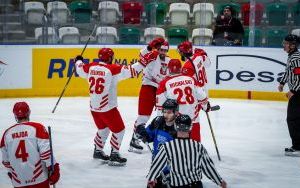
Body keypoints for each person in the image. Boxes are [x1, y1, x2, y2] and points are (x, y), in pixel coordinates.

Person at [75, 48, 147, 166]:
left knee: (103, 129)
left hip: (94, 108)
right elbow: (132, 70)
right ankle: (114, 154)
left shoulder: (90, 67)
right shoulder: (112, 69)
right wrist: (143, 62)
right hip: (108, 108)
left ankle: (98, 151)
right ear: (109, 58)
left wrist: (78, 60)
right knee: (119, 130)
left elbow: (79, 68)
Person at [147, 114, 227, 188]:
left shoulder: (168, 147)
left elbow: (156, 164)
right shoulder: (198, 146)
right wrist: (220, 181)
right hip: (196, 186)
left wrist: (151, 178)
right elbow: (208, 167)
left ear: (175, 126)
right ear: (190, 127)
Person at [0, 102, 60, 188]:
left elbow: (6, 161)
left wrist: (13, 173)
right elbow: (46, 154)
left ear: (15, 115)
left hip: (18, 181)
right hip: (39, 179)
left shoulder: (7, 134)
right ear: (29, 112)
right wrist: (54, 168)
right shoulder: (38, 128)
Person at [129, 37, 171, 153]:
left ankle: (162, 138)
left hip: (160, 91)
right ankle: (134, 139)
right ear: (157, 48)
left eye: (165, 50)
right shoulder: (152, 55)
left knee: (163, 116)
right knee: (143, 116)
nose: (163, 52)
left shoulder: (169, 60)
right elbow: (142, 55)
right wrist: (149, 47)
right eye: (161, 50)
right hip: (147, 87)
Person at [156, 59, 210, 142]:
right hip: (193, 116)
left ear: (169, 69)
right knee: (195, 143)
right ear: (181, 68)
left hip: (176, 119)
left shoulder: (164, 83)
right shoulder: (191, 79)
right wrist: (206, 107)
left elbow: (161, 106)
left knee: (177, 145)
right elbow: (202, 96)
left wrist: (162, 121)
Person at [135, 99, 179, 188]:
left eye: (169, 112)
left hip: (174, 171)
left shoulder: (179, 128)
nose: (166, 115)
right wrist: (142, 132)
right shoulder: (158, 121)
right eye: (164, 112)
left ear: (176, 112)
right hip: (156, 168)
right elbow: (148, 137)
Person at [278, 34, 300, 157]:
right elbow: (288, 72)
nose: (284, 45)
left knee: (293, 119)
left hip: (298, 93)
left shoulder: (296, 58)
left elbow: (299, 76)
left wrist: (294, 91)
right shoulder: (291, 56)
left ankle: (298, 147)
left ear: (293, 45)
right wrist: (282, 82)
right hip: (297, 91)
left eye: (286, 43)